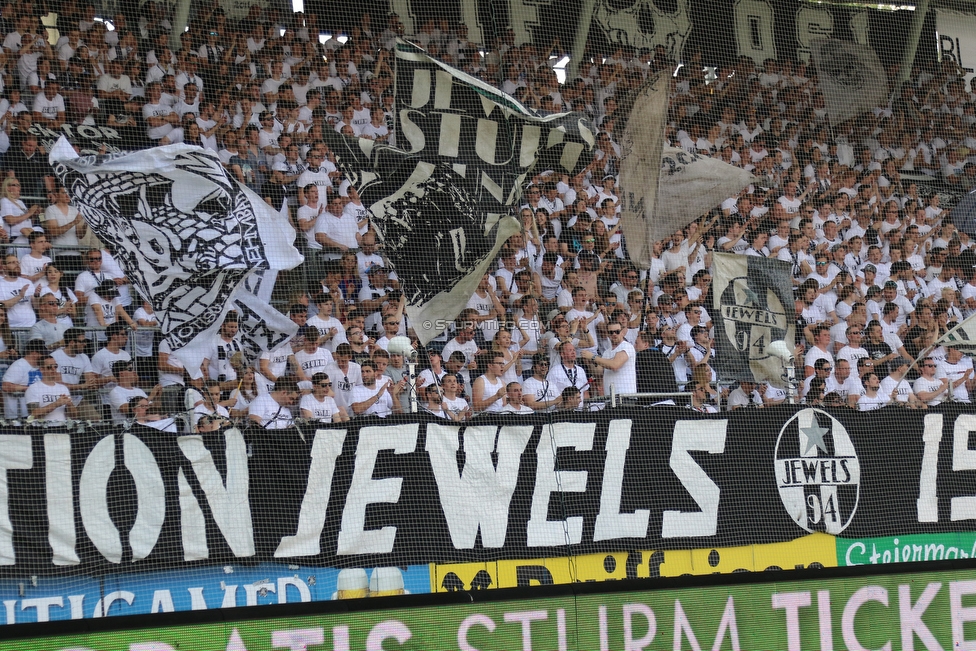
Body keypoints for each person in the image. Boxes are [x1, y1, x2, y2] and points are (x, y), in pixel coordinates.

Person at [1, 338, 47, 418]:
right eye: (43, 354)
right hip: (17, 417)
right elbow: (6, 386)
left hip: (34, 415)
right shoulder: (19, 365)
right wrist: (30, 388)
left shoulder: (40, 366)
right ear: (34, 353)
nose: (44, 357)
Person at [25, 354, 74, 421]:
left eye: (55, 366)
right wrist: (56, 404)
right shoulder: (33, 388)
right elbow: (33, 414)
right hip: (42, 428)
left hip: (62, 427)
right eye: (49, 367)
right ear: (42, 369)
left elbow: (74, 416)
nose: (53, 369)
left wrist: (70, 404)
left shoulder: (63, 388)